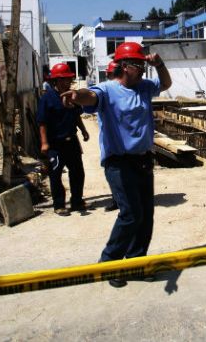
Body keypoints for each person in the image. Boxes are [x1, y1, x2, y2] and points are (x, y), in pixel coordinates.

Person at [62, 42, 172, 287]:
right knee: (130, 214)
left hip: (143, 160)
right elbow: (90, 95)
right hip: (118, 162)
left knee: (145, 216)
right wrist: (76, 95)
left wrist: (160, 64)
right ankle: (109, 263)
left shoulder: (144, 87)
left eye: (144, 64)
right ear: (124, 66)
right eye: (138, 64)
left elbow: (165, 84)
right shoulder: (108, 89)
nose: (143, 69)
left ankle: (135, 263)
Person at [37, 62, 91, 216]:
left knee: (77, 172)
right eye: (62, 79)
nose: (66, 82)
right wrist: (44, 143)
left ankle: (77, 201)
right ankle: (59, 204)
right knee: (56, 174)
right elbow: (42, 122)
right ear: (56, 81)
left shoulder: (73, 96)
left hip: (71, 141)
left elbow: (76, 116)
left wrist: (84, 131)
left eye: (68, 79)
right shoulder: (47, 98)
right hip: (55, 144)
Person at [103, 60, 119, 212]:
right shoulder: (105, 89)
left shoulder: (109, 89)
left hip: (114, 139)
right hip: (110, 137)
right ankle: (117, 199)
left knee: (113, 171)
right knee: (113, 171)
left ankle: (119, 200)